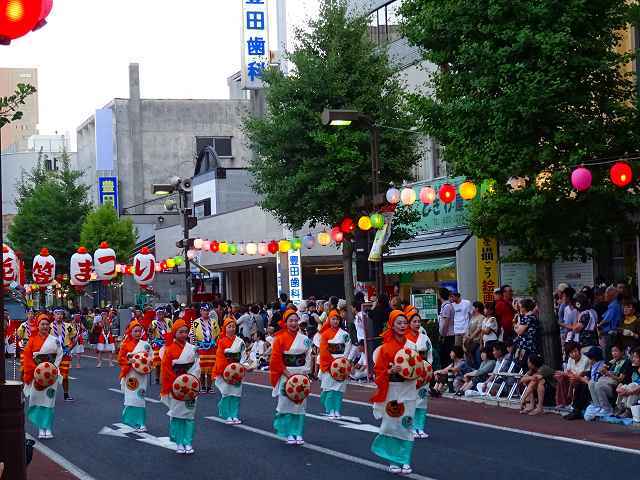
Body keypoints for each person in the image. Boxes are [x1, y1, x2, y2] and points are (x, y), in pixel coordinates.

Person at [370, 310, 416, 475]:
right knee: (391, 426)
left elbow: (418, 366)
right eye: (399, 323)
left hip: (409, 388)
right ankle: (393, 460)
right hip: (392, 390)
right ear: (392, 325)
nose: (403, 326)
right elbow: (378, 372)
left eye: (405, 323)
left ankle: (405, 460)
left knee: (407, 424)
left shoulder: (412, 345)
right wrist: (391, 371)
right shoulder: (384, 349)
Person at [269, 308, 312, 445]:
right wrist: (287, 374)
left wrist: (304, 372)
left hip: (301, 374)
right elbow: (276, 359)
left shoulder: (305, 339)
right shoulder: (279, 339)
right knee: (285, 403)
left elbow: (309, 356)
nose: (293, 323)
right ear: (285, 322)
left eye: (295, 320)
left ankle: (298, 432)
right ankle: (288, 432)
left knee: (300, 404)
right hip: (285, 374)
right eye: (290, 321)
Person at [161, 319, 201, 455]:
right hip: (176, 387)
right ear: (174, 333)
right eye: (181, 332)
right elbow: (166, 370)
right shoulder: (169, 350)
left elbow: (197, 367)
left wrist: (190, 380)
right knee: (177, 415)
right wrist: (177, 382)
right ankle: (179, 442)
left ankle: (188, 442)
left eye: (185, 332)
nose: (184, 334)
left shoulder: (192, 348)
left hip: (190, 386)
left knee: (189, 415)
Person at [23, 313, 63, 439]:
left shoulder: (55, 340)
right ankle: (41, 427)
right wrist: (37, 370)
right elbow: (27, 357)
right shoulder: (32, 340)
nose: (45, 326)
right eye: (42, 324)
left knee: (49, 402)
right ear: (38, 325)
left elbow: (59, 355)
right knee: (37, 401)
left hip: (50, 376)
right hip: (37, 376)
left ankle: (48, 427)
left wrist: (53, 369)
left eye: (47, 324)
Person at [117, 320, 152, 431]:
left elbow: (152, 358)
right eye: (135, 331)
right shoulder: (125, 344)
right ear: (130, 332)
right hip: (130, 374)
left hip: (141, 375)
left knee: (140, 398)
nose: (137, 333)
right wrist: (129, 360)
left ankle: (141, 422)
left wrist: (147, 363)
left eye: (139, 331)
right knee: (131, 398)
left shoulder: (145, 345)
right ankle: (130, 420)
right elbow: (120, 359)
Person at [405, 306, 433, 439]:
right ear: (409, 323)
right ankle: (409, 428)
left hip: (423, 373)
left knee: (422, 401)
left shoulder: (425, 338)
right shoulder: (403, 338)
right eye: (414, 321)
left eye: (418, 321)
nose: (417, 324)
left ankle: (420, 428)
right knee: (410, 401)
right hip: (409, 374)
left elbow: (430, 354)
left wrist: (428, 367)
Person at [214, 316, 248, 424]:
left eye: (233, 326)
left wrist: (242, 366)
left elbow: (243, 355)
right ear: (225, 328)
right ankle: (227, 414)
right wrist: (225, 370)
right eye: (229, 326)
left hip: (237, 371)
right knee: (227, 393)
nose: (232, 328)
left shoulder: (240, 341)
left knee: (236, 394)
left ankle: (235, 415)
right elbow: (220, 357)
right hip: (226, 371)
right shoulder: (222, 341)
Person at [318, 308, 352, 419]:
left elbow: (348, 347)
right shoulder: (325, 334)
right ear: (329, 320)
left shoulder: (344, 334)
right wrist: (333, 362)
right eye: (333, 319)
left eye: (337, 319)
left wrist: (343, 360)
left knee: (339, 390)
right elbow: (323, 350)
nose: (335, 321)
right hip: (329, 365)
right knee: (329, 389)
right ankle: (330, 409)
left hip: (341, 364)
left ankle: (337, 410)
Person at [588, 344, 632, 417]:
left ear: (622, 352)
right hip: (606, 382)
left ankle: (607, 409)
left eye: (616, 351)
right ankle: (598, 406)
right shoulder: (612, 362)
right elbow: (602, 372)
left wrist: (608, 374)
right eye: (612, 351)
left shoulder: (626, 362)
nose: (614, 353)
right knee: (591, 382)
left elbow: (620, 379)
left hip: (615, 386)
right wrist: (603, 370)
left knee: (598, 385)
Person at [563, 346, 603, 421]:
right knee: (580, 384)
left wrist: (580, 378)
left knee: (583, 385)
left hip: (598, 388)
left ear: (593, 359)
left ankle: (577, 410)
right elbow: (587, 376)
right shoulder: (593, 367)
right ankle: (575, 409)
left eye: (590, 358)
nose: (589, 360)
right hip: (592, 387)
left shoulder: (601, 367)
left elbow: (593, 382)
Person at [189, 303, 220, 393]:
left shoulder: (213, 321)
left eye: (207, 310)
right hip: (200, 347)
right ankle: (202, 386)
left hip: (211, 348)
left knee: (210, 368)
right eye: (204, 310)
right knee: (201, 368)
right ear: (201, 311)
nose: (206, 312)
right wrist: (193, 346)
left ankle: (209, 387)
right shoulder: (195, 322)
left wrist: (216, 342)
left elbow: (218, 334)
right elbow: (192, 335)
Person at [50, 308, 76, 401]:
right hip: (52, 354)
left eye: (61, 314)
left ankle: (66, 394)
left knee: (64, 375)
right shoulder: (50, 326)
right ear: (54, 315)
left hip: (65, 352)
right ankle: (50, 394)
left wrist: (70, 348)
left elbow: (74, 339)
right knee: (51, 375)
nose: (59, 316)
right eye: (57, 314)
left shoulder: (68, 326)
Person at [553, 341, 590, 408]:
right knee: (561, 377)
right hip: (572, 378)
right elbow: (568, 371)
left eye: (575, 351)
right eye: (571, 353)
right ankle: (563, 402)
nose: (574, 354)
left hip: (582, 380)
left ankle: (573, 403)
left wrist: (568, 374)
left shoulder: (585, 360)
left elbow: (580, 374)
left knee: (573, 379)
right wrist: (566, 374)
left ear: (579, 350)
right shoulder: (570, 359)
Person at [149, 306, 173, 385]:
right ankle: (157, 378)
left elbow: (172, 330)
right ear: (156, 314)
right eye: (159, 314)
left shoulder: (168, 321)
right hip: (158, 343)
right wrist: (151, 331)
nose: (160, 315)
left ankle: (167, 377)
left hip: (167, 343)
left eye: (162, 313)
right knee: (158, 362)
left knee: (167, 361)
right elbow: (151, 332)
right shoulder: (154, 322)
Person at [614, 348, 640, 418]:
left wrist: (630, 391)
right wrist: (621, 388)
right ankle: (620, 407)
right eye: (633, 357)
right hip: (633, 388)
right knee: (624, 387)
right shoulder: (635, 368)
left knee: (632, 386)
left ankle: (629, 410)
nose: (633, 359)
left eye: (636, 357)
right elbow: (626, 381)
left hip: (637, 390)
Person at [513, 298, 539, 368]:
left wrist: (515, 326)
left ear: (524, 308)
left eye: (521, 307)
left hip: (527, 345)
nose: (520, 308)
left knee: (525, 364)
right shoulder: (530, 317)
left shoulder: (528, 317)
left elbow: (519, 331)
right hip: (529, 344)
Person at [598, 286, 623, 361]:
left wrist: (598, 325)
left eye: (606, 293)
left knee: (608, 357)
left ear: (611, 295)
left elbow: (606, 320)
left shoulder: (614, 305)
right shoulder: (615, 305)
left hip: (610, 335)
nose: (604, 296)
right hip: (611, 334)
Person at [464, 301, 485, 367]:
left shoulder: (482, 317)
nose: (471, 309)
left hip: (477, 341)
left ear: (477, 308)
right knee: (470, 359)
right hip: (471, 342)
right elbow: (468, 327)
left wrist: (471, 337)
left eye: (473, 307)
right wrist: (467, 336)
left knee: (477, 359)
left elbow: (479, 329)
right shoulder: (473, 317)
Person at [438, 288, 456, 358]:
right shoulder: (446, 305)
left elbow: (446, 322)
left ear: (440, 295)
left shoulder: (447, 306)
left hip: (447, 335)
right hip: (447, 335)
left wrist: (442, 335)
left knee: (447, 356)